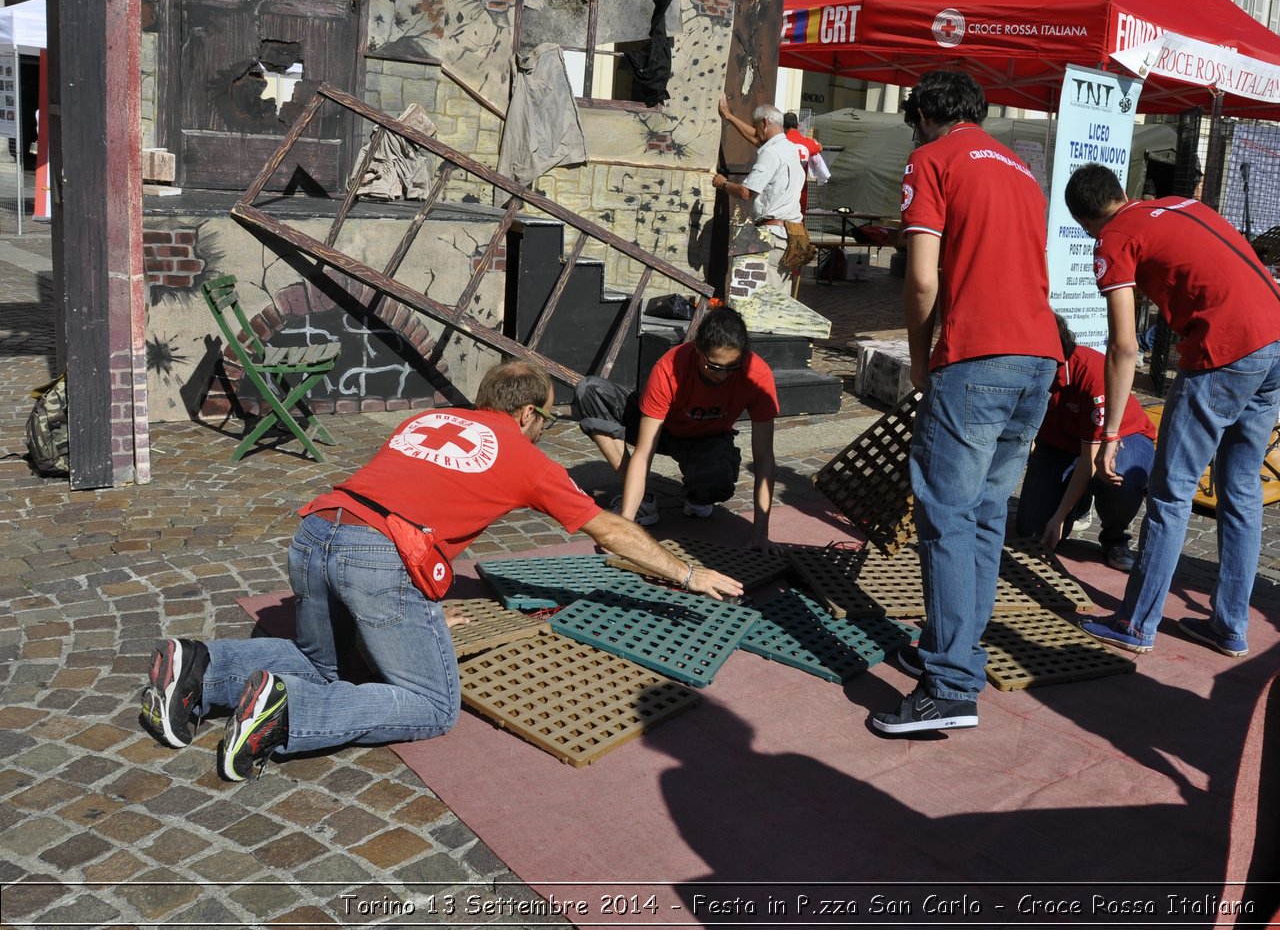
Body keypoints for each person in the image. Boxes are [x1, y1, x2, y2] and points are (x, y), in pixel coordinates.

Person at [139, 361, 742, 782]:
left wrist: (415, 614)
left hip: (315, 530)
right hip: (379, 558)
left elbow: (414, 491)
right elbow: (609, 529)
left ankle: (202, 667)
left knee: (326, 661)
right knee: (430, 704)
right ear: (530, 413)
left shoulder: (423, 421)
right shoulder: (526, 458)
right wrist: (686, 575)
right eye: (548, 420)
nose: (544, 430)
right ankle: (288, 715)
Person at [869, 70, 1061, 736]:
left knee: (945, 518)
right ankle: (955, 653)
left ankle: (950, 684)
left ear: (922, 111)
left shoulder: (931, 158)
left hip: (977, 358)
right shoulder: (1018, 168)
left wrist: (920, 359)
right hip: (1039, 357)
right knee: (983, 518)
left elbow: (922, 278)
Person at [1065, 163, 1280, 658]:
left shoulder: (1112, 238)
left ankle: (1135, 622)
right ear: (1123, 192)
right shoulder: (1181, 205)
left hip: (1224, 351)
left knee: (1171, 495)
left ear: (1086, 223)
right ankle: (1230, 625)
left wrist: (1109, 433)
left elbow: (1125, 347)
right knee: (1241, 491)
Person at [574, 306, 778, 548]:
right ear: (698, 350)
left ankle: (698, 494)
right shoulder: (670, 367)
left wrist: (760, 534)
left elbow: (764, 458)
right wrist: (625, 528)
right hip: (662, 430)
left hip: (707, 439)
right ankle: (642, 502)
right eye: (714, 366)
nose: (722, 375)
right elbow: (644, 452)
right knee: (589, 390)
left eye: (731, 367)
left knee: (716, 484)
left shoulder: (758, 375)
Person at [1015, 316, 1155, 572]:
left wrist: (1058, 517)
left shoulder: (1092, 372)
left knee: (1117, 476)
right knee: (1032, 533)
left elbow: (1090, 460)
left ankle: (1115, 538)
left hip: (1119, 439)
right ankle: (1078, 504)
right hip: (1059, 443)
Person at [714, 98, 806, 292]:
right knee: (779, 302)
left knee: (764, 300)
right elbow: (757, 138)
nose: (755, 132)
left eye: (757, 126)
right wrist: (729, 116)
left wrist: (724, 184)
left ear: (764, 123)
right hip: (788, 236)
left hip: (772, 237)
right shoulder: (789, 148)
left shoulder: (771, 153)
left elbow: (746, 192)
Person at [781, 112, 830, 214]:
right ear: (798, 125)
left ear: (782, 126)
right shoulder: (807, 142)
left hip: (782, 188)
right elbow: (819, 147)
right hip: (800, 189)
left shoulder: (781, 141)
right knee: (798, 221)